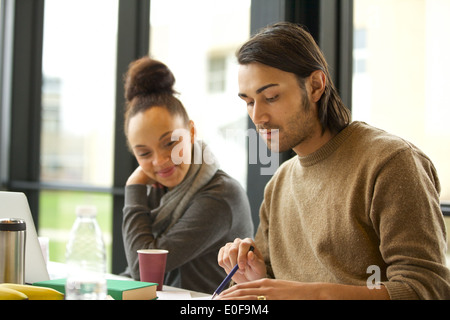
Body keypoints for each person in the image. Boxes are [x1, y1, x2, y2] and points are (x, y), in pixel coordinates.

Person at [217, 22, 450, 300]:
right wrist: (258, 279)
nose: (257, 117)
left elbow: (427, 289)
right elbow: (280, 291)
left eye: (271, 97)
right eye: (249, 102)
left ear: (315, 86)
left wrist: (314, 294)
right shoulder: (279, 183)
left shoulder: (390, 162)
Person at [121, 56, 254, 293]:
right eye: (143, 153)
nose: (160, 161)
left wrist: (134, 187)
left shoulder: (220, 195)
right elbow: (132, 273)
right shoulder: (160, 190)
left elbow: (143, 272)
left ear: (191, 132)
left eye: (170, 143)